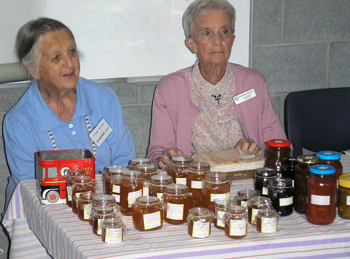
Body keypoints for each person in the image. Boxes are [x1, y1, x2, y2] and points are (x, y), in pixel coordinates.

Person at [3, 18, 136, 207]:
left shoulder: (104, 99)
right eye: (56, 57)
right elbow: (29, 188)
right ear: (34, 70)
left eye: (72, 51)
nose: (69, 63)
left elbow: (125, 160)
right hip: (43, 209)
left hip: (105, 203)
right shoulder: (19, 121)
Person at [147, 0, 287, 169]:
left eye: (224, 32)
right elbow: (156, 153)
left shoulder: (254, 83)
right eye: (207, 33)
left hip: (248, 181)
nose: (218, 41)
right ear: (191, 44)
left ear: (232, 39)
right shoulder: (169, 89)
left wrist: (259, 151)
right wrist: (165, 157)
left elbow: (282, 146)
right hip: (196, 182)